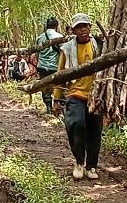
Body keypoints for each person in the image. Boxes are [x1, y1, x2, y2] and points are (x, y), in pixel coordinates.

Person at [52, 13, 102, 180]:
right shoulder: (66, 49)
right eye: (80, 27)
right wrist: (57, 99)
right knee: (76, 124)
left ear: (90, 28)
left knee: (95, 130)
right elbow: (60, 74)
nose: (84, 29)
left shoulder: (98, 45)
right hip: (75, 93)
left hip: (95, 94)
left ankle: (91, 167)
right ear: (74, 30)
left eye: (86, 26)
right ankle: (79, 162)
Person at [35, 17, 64, 112]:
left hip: (42, 66)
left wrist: (38, 63)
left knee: (44, 86)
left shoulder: (40, 37)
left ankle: (48, 106)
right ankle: (59, 106)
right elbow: (63, 52)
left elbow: (37, 53)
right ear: (56, 26)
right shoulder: (60, 36)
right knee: (58, 85)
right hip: (55, 66)